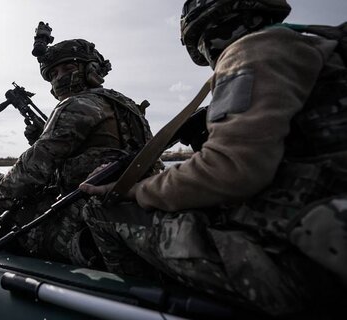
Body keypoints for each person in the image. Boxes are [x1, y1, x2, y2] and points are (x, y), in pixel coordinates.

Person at [79, 0, 347, 317]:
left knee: (99, 211)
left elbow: (228, 170)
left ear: (203, 37)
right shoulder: (323, 46)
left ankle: (138, 307)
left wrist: (135, 189)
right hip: (324, 240)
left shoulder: (255, 47)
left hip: (300, 269)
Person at [0, 37, 158, 266]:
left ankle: (77, 252)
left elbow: (28, 172)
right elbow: (99, 156)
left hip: (86, 218)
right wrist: (41, 138)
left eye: (68, 68)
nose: (60, 78)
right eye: (53, 74)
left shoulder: (76, 105)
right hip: (128, 207)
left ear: (91, 70)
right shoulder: (129, 107)